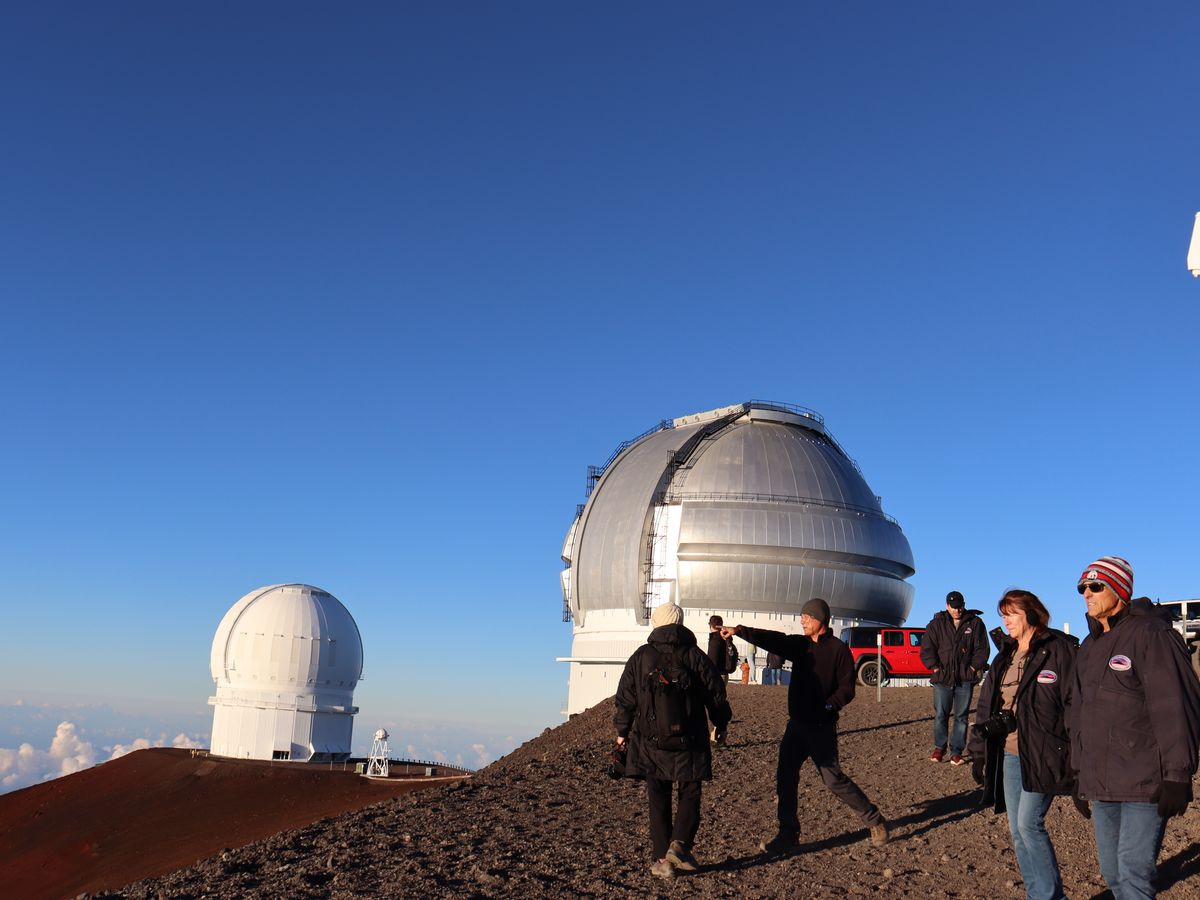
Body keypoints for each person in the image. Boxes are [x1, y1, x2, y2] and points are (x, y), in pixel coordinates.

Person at [1066, 556, 1200, 900]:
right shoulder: (1089, 646)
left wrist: (1178, 775)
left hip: (1146, 780)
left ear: (1120, 591)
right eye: (1082, 587)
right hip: (1102, 782)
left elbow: (1175, 705)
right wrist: (1079, 773)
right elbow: (1079, 713)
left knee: (1133, 873)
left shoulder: (1152, 635)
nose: (1087, 593)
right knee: (1113, 873)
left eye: (1096, 586)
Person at [720, 598, 888, 853]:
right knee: (785, 777)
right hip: (796, 725)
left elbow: (847, 688)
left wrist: (829, 705)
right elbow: (773, 639)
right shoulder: (801, 645)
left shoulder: (839, 650)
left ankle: (874, 820)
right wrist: (740, 631)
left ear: (820, 619)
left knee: (833, 780)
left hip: (821, 727)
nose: (802, 621)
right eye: (802, 617)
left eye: (807, 617)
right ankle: (788, 833)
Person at [968, 590, 1076, 900]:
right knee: (1017, 830)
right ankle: (1036, 893)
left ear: (1030, 614)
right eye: (1003, 615)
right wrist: (979, 752)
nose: (1005, 621)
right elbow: (986, 704)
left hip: (1043, 751)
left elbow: (1074, 702)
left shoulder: (1058, 650)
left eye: (1011, 614)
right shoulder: (1005, 655)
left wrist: (1076, 753)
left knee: (1029, 824)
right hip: (1009, 753)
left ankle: (1051, 896)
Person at [614, 602, 732, 880]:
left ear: (657, 623)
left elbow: (626, 697)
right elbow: (715, 692)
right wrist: (721, 722)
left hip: (650, 739)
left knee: (658, 796)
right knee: (690, 791)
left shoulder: (641, 657)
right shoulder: (694, 655)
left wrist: (622, 732)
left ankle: (662, 860)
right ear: (680, 623)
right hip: (690, 737)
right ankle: (679, 843)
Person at [920, 590, 989, 765]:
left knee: (961, 716)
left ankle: (956, 752)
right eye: (953, 607)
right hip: (942, 678)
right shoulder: (936, 624)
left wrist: (972, 668)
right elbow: (927, 648)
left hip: (965, 679)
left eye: (960, 607)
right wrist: (935, 668)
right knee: (940, 714)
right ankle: (939, 748)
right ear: (947, 606)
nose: (957, 610)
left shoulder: (975, 623)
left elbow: (982, 649)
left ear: (964, 605)